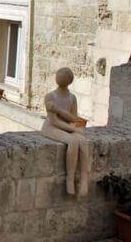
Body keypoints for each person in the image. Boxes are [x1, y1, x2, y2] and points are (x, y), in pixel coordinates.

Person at [41, 67, 90, 195]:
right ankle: (70, 179)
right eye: (58, 75)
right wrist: (74, 130)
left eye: (61, 76)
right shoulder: (50, 97)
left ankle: (84, 178)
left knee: (83, 141)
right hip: (51, 127)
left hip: (67, 126)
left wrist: (59, 111)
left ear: (68, 80)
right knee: (73, 141)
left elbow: (73, 117)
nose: (58, 78)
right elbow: (54, 121)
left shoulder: (72, 98)